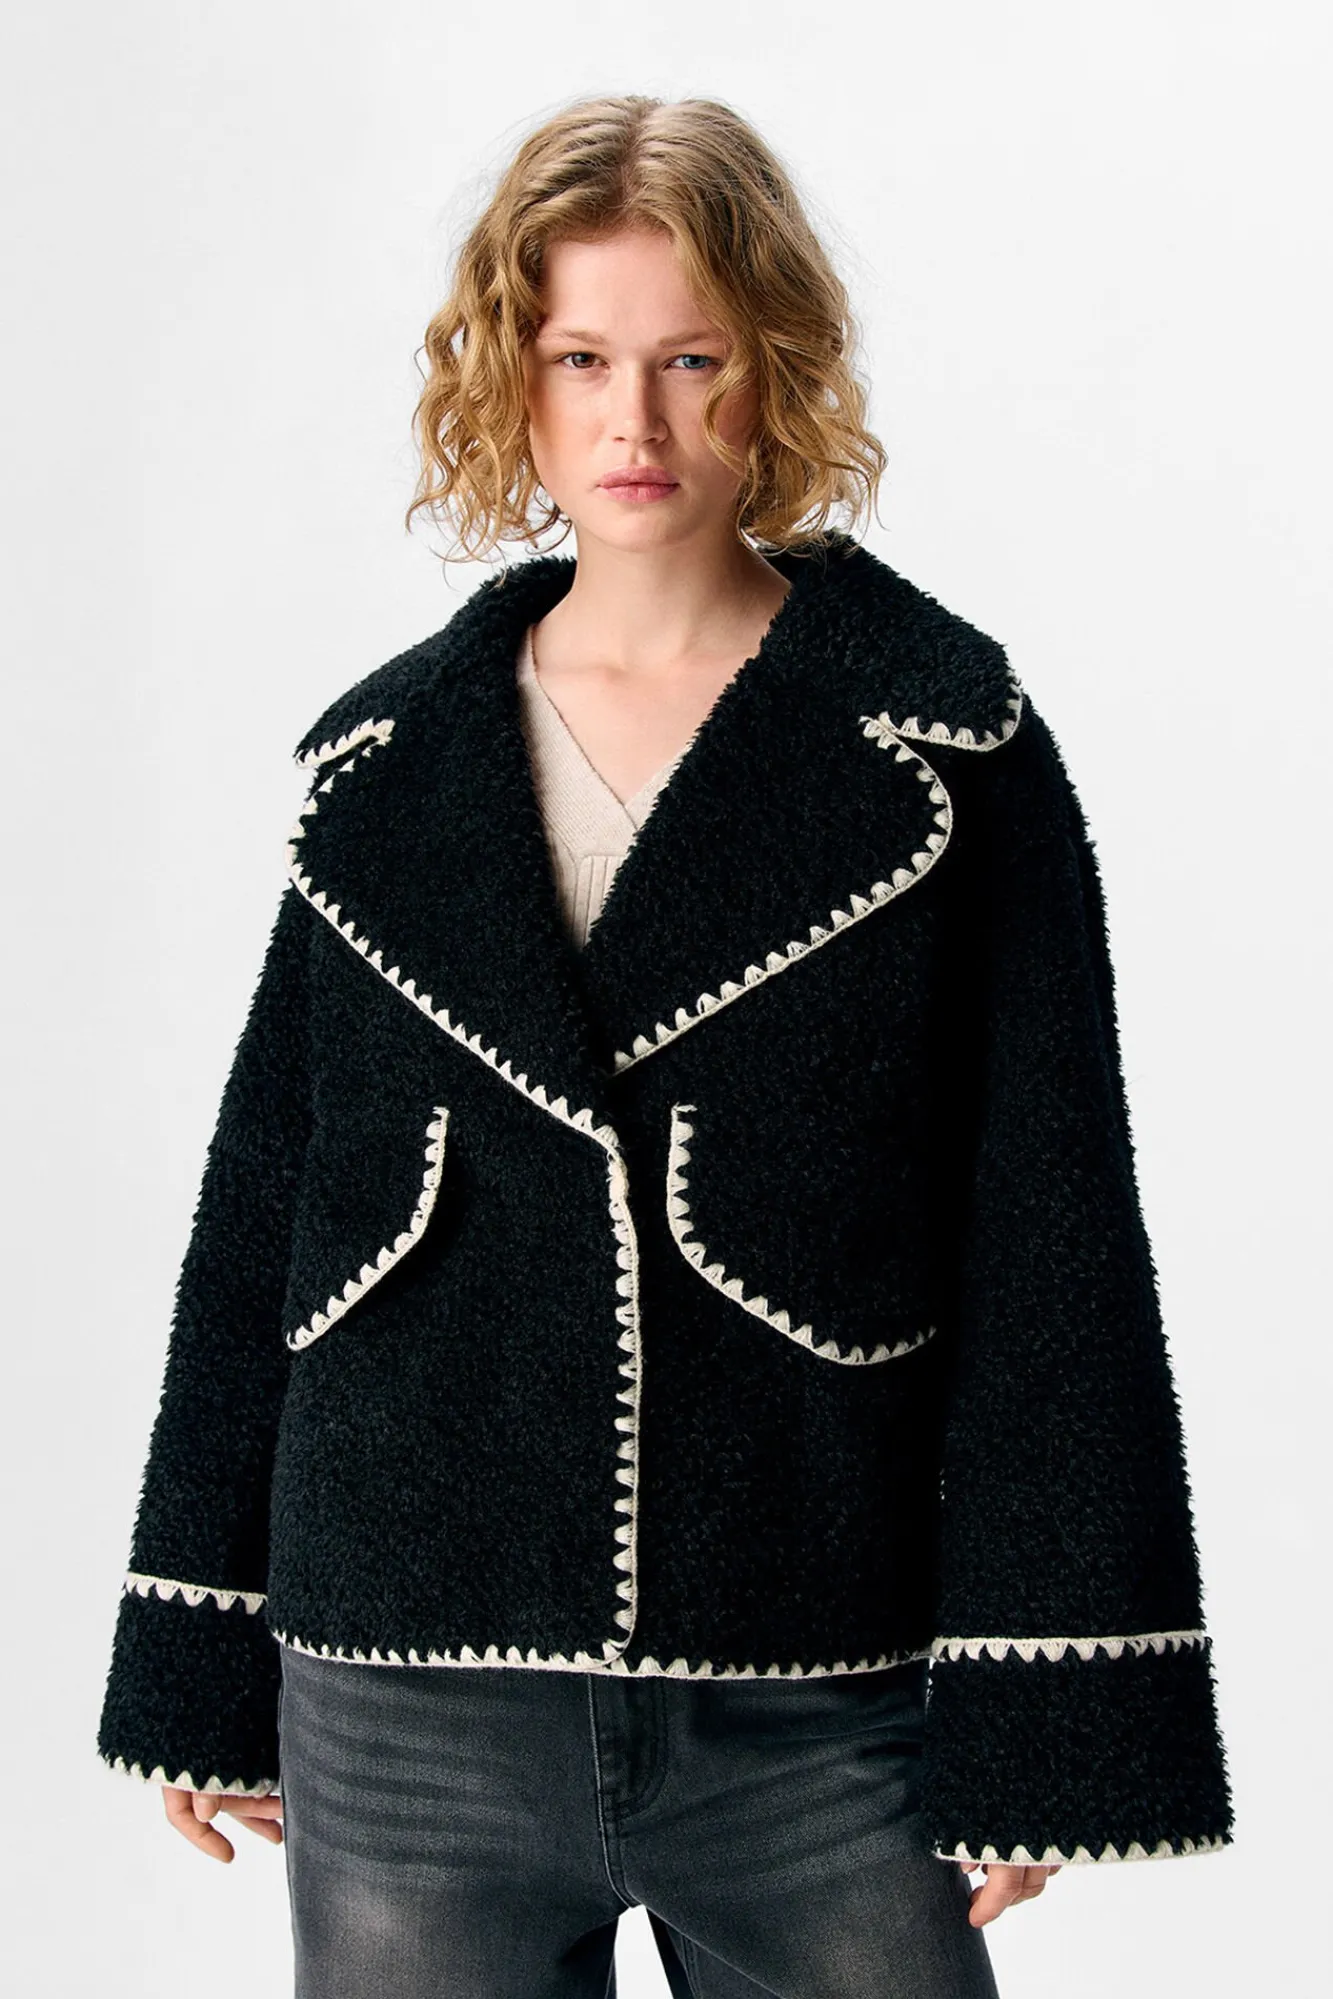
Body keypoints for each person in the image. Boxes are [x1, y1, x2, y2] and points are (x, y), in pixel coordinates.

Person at [96, 92, 1233, 1998]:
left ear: (774, 368)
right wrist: (195, 1644)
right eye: (582, 360)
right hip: (405, 1690)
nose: (636, 420)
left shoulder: (944, 745)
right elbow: (266, 1214)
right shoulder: (382, 772)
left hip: (814, 1678)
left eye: (692, 359)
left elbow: (1054, 1237)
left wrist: (1049, 1698)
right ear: (512, 381)